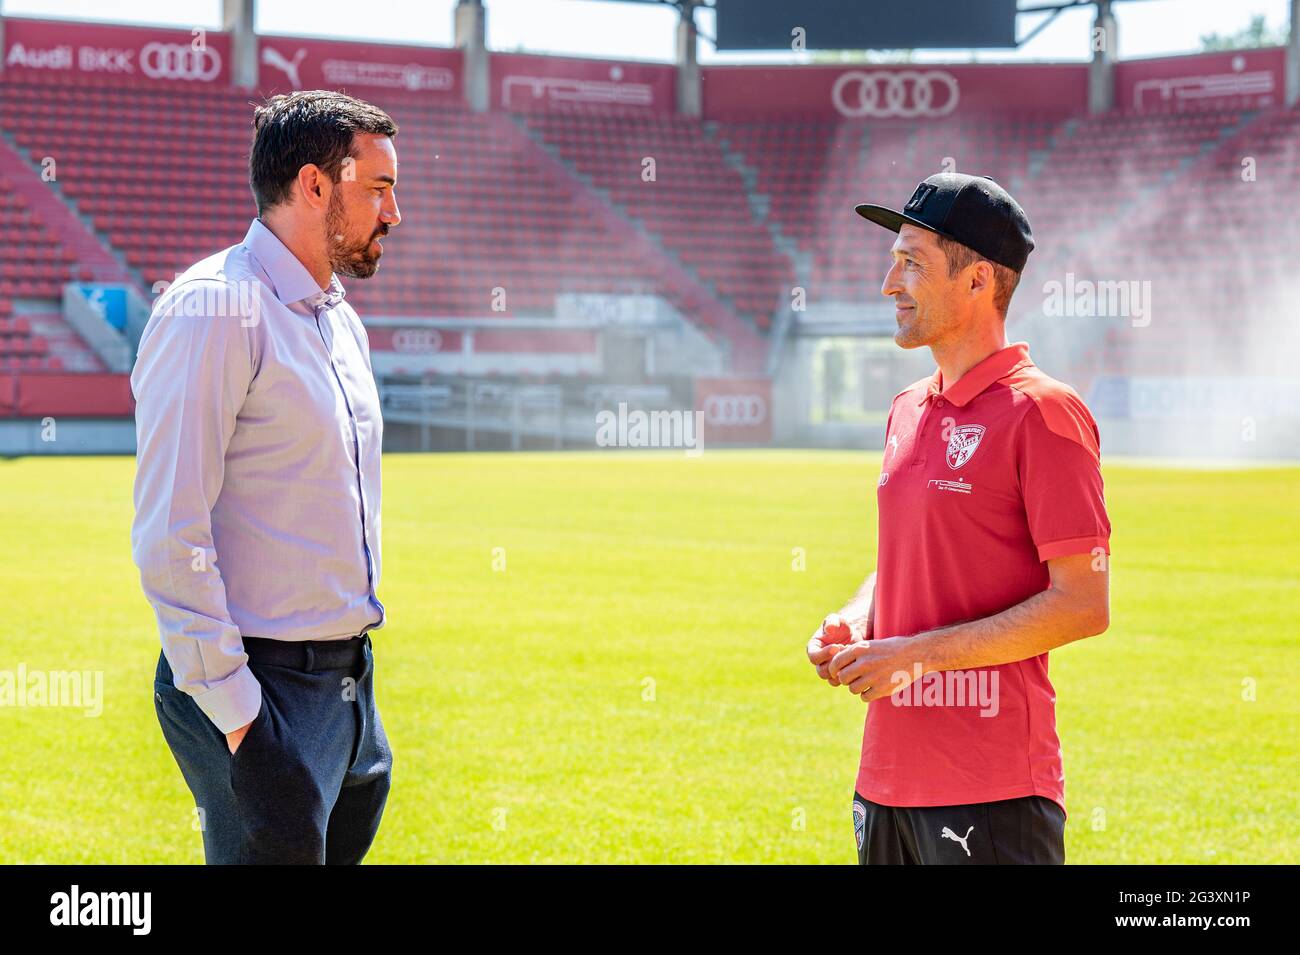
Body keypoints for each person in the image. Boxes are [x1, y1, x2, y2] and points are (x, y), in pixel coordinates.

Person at [806, 173, 1111, 864]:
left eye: (912, 261)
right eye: (893, 260)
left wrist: (912, 656)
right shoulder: (907, 407)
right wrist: (859, 619)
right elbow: (907, 560)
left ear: (977, 281)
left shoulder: (1045, 413)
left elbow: (1084, 604)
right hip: (884, 783)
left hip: (992, 788)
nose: (890, 283)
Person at [130, 90, 401, 864]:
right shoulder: (215, 310)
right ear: (316, 185)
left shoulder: (338, 317)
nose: (394, 212)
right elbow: (168, 533)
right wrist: (243, 720)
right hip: (258, 684)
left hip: (349, 686)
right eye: (378, 187)